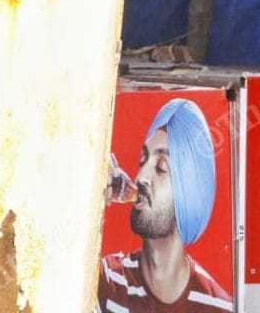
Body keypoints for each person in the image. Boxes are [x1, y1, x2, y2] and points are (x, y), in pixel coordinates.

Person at [97, 99, 232, 312]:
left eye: (160, 168)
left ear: (190, 191)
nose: (141, 177)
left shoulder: (220, 308)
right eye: (143, 161)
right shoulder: (105, 285)